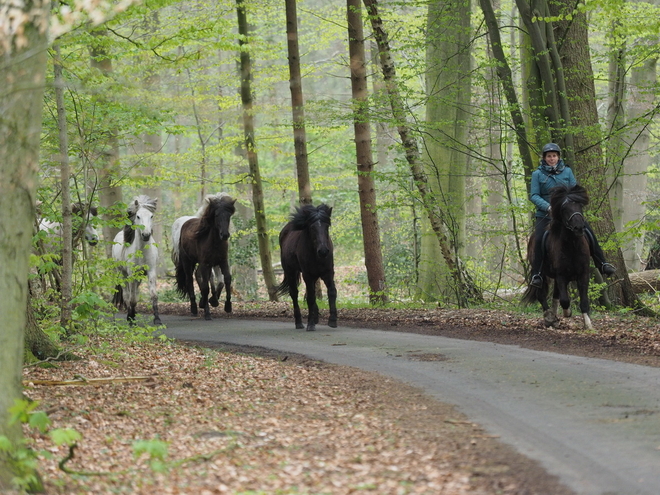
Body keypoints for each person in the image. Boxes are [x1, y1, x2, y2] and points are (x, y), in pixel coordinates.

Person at [529, 143, 616, 288]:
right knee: (538, 239)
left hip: (566, 214)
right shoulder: (537, 174)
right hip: (546, 215)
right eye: (549, 156)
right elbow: (534, 195)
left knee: (588, 232)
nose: (552, 159)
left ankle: (603, 263)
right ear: (544, 158)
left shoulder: (567, 172)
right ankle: (537, 274)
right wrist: (548, 207)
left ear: (558, 157)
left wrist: (572, 207)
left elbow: (574, 191)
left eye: (554, 156)